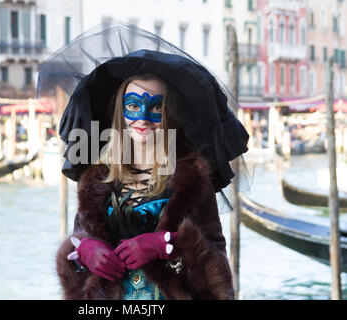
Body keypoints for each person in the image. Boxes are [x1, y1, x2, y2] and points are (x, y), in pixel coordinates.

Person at [38, 22, 249, 300]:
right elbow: (77, 253)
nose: (143, 118)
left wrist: (165, 245)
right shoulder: (97, 181)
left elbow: (216, 268)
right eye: (134, 105)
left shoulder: (191, 181)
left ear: (169, 113)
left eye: (155, 107)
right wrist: (85, 252)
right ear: (121, 112)